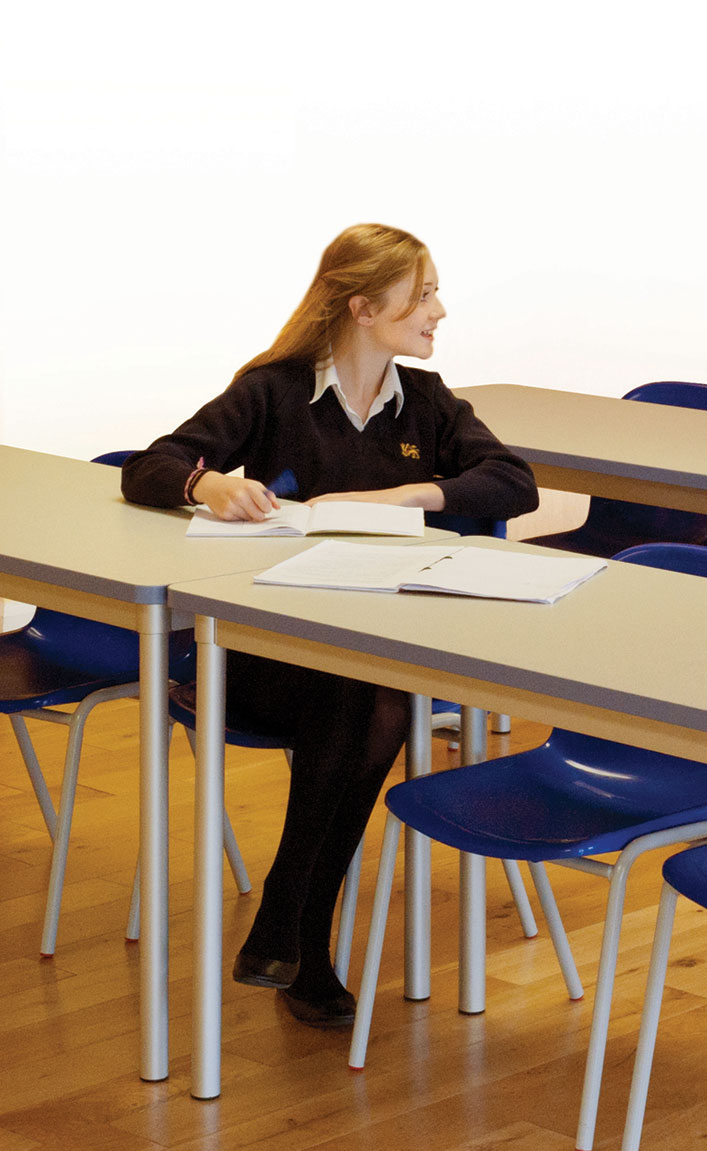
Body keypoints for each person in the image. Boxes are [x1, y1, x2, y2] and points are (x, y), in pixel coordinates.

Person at [122, 224, 538, 1024]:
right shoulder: (273, 391)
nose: (439, 311)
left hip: (367, 652)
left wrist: (396, 498)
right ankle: (301, 928)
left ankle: (292, 920)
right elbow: (154, 464)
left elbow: (512, 483)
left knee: (367, 691)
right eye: (422, 296)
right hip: (262, 656)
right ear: (361, 307)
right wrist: (207, 488)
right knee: (368, 699)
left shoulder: (426, 401)